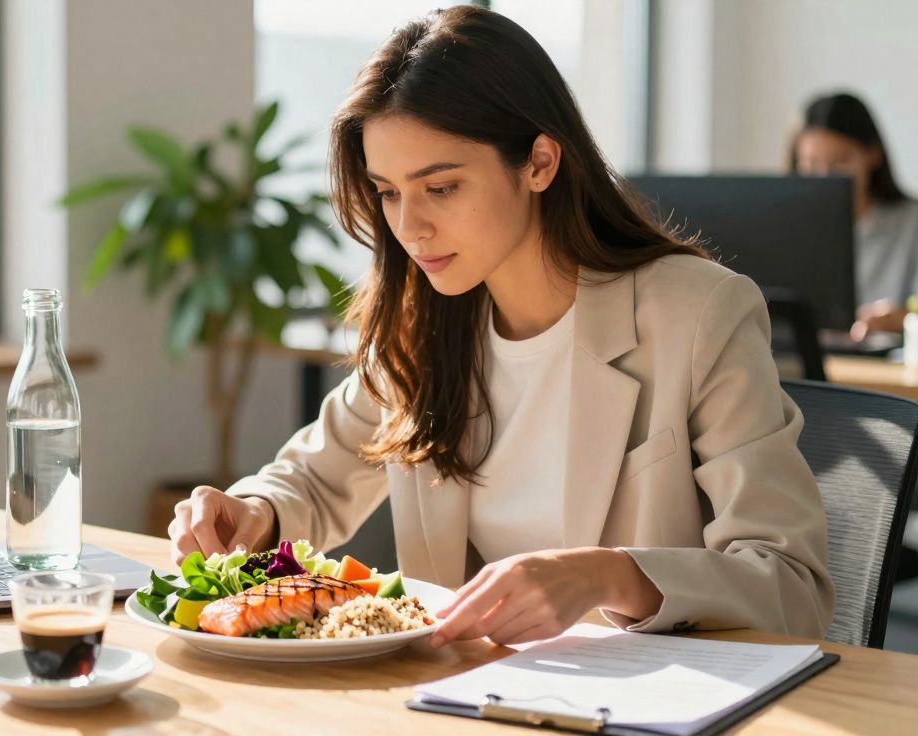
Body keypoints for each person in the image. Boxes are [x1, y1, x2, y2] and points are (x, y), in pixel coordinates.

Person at [169, 6, 833, 645]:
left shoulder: (697, 314)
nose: (409, 227)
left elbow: (792, 585)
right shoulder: (423, 322)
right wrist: (252, 510)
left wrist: (607, 574)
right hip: (468, 694)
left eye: (442, 187)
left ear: (540, 163)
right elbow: (314, 478)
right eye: (390, 192)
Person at [790, 92, 918, 340]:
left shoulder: (911, 223)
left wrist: (901, 318)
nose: (826, 177)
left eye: (840, 162)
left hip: (884, 371)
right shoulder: (788, 229)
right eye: (812, 164)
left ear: (873, 154)